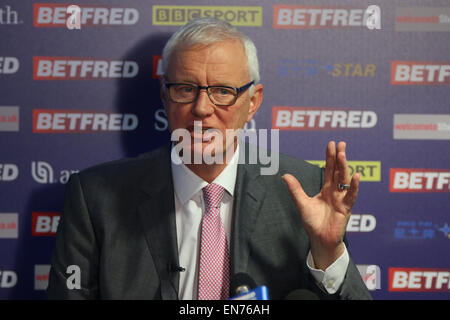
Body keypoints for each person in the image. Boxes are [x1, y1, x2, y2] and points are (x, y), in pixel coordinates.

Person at [47, 18, 372, 300]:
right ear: (165, 96)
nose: (202, 108)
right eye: (186, 89)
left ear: (253, 102)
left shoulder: (303, 190)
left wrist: (329, 253)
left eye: (222, 91)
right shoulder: (95, 198)